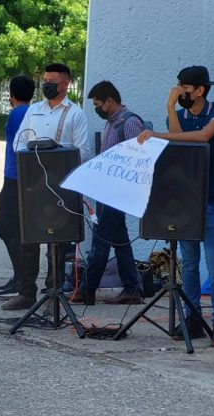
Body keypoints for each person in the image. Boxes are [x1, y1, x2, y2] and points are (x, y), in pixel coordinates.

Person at [136, 65, 214, 346]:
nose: (180, 94)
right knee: (188, 263)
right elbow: (179, 146)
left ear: (200, 90)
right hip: (186, 201)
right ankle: (192, 317)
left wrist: (158, 135)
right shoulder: (179, 115)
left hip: (212, 199)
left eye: (184, 90)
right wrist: (169, 108)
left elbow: (202, 137)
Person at [1, 63, 90, 311]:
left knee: (57, 240)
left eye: (52, 81)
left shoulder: (75, 113)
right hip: (33, 185)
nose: (46, 85)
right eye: (45, 80)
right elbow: (19, 143)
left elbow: (83, 151)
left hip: (60, 187)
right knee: (28, 238)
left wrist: (57, 153)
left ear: (65, 84)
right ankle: (26, 293)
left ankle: (53, 294)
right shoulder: (34, 110)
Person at [72, 80, 141, 305]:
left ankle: (87, 289)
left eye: (99, 104)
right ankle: (132, 288)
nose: (97, 109)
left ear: (110, 101)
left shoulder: (129, 123)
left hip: (116, 192)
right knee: (120, 241)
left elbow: (136, 159)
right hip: (106, 191)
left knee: (100, 241)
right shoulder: (111, 123)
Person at [0, 75, 35, 299]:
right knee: (16, 228)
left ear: (11, 94)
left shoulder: (17, 114)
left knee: (7, 227)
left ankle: (21, 277)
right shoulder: (31, 112)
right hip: (22, 176)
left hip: (14, 177)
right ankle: (20, 275)